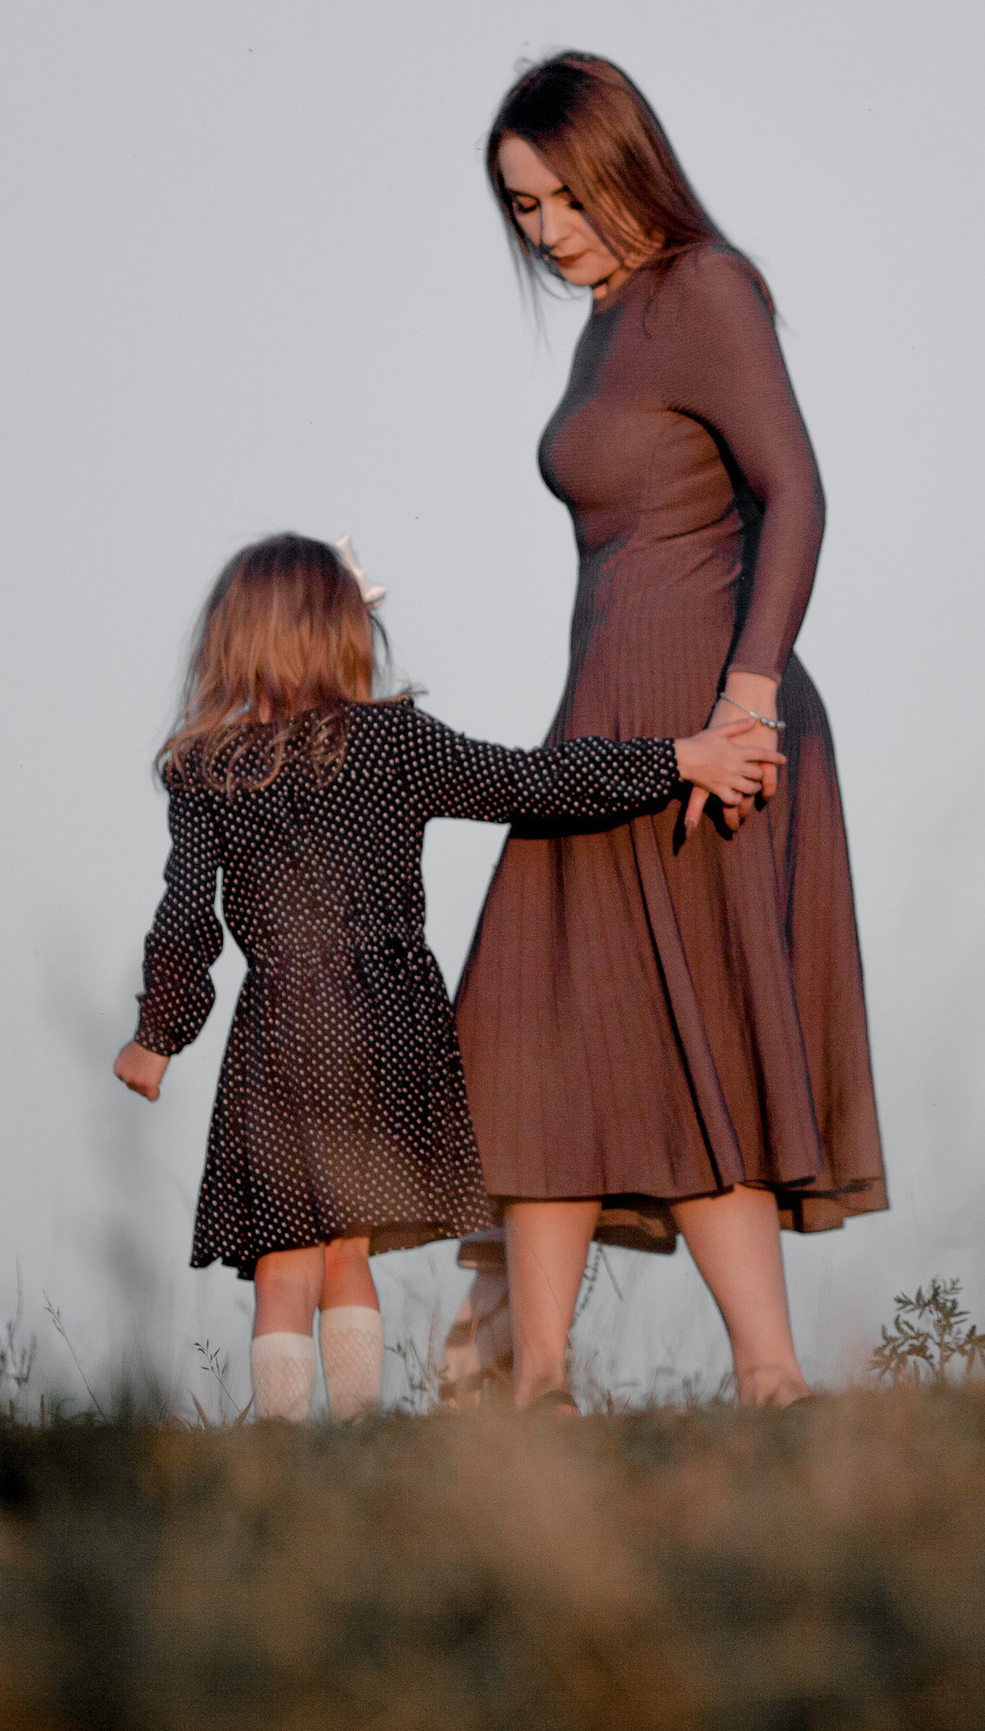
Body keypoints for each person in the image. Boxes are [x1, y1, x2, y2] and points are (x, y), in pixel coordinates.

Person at [453, 52, 886, 1409]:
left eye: (566, 199)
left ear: (627, 167)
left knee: (702, 1029)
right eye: (523, 210)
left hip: (713, 723)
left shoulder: (706, 289)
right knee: (540, 1025)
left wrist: (748, 695)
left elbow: (797, 495)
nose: (548, 233)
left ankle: (766, 1376)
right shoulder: (611, 316)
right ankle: (536, 1388)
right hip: (607, 722)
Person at [113, 531, 773, 1422]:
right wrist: (678, 760)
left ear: (231, 639)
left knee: (283, 1261)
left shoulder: (205, 769)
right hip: (388, 1021)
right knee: (346, 1250)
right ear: (342, 630)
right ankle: (352, 1435)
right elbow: (535, 782)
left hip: (280, 1029)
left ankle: (280, 1449)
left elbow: (185, 916)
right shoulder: (393, 740)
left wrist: (158, 1035)